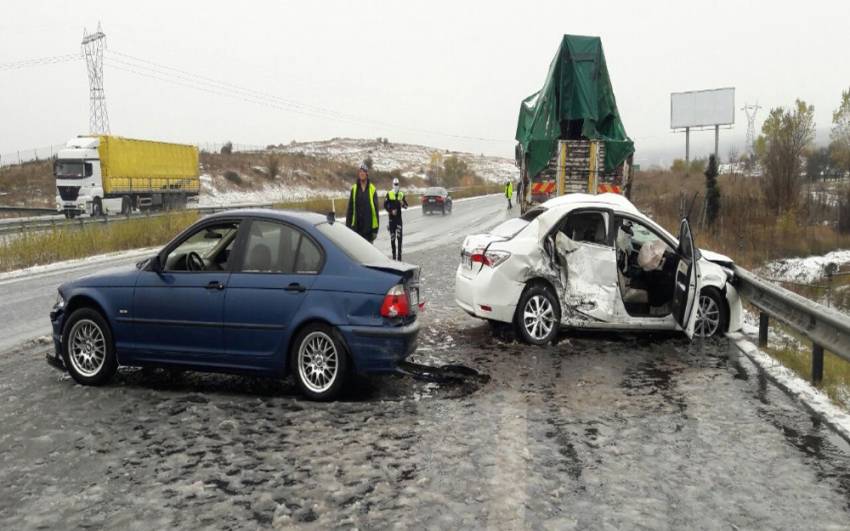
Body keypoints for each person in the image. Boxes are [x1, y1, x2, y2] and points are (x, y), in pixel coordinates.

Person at [345, 162, 379, 243]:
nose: (362, 173)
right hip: (356, 229)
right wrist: (348, 227)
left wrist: (375, 230)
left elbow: (375, 211)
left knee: (368, 254)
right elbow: (350, 209)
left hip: (369, 231)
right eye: (360, 172)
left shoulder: (372, 189)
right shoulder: (354, 189)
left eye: (363, 172)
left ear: (367, 174)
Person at [384, 177, 408, 260]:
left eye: (397, 184)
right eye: (395, 184)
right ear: (392, 185)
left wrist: (402, 204)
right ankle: (394, 256)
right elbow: (385, 205)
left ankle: (399, 257)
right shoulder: (389, 193)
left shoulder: (401, 194)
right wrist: (391, 211)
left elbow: (406, 206)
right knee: (392, 239)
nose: (396, 186)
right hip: (391, 220)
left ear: (399, 185)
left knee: (399, 238)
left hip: (399, 220)